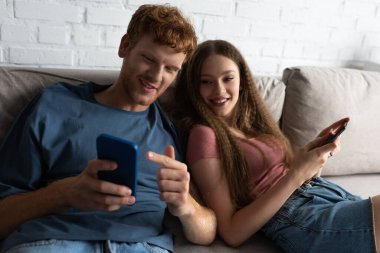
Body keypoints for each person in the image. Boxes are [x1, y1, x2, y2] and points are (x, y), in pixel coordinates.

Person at [0, 4, 217, 253]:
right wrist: (64, 194)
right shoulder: (54, 105)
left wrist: (185, 205)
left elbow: (207, 230)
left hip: (141, 246)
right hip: (54, 242)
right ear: (125, 46)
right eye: (149, 59)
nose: (157, 77)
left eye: (170, 69)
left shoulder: (171, 129)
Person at [169, 39, 380, 253]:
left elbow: (287, 174)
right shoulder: (203, 135)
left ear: (242, 80)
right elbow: (232, 232)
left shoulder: (252, 124)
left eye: (228, 78)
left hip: (325, 194)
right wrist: (297, 174)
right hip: (297, 214)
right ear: (194, 87)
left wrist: (312, 158)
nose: (219, 90)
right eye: (206, 81)